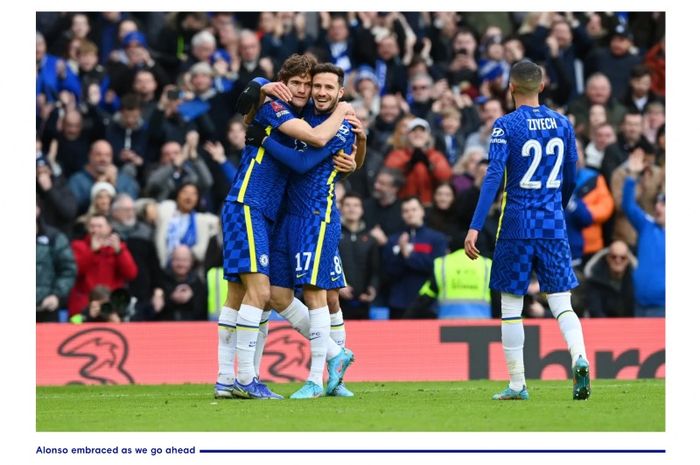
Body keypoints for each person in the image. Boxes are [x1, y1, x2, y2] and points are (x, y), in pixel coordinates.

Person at [215, 54, 355, 400]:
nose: (304, 90)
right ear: (283, 84)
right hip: (249, 203)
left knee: (247, 295)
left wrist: (357, 149)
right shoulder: (274, 107)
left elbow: (312, 154)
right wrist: (262, 84)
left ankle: (224, 378)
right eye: (297, 83)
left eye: (309, 85)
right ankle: (246, 379)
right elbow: (312, 143)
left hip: (269, 213)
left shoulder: (296, 115)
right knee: (262, 294)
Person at [464, 60, 590, 401]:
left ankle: (518, 384)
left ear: (510, 88)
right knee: (562, 302)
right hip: (552, 223)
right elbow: (572, 177)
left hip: (516, 223)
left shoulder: (506, 126)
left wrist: (475, 226)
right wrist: (557, 207)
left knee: (510, 305)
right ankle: (579, 357)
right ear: (542, 86)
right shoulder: (563, 124)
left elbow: (493, 177)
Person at [383, 197, 448, 319]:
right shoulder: (393, 240)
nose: (410, 214)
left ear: (422, 211)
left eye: (414, 209)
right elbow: (389, 271)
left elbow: (437, 268)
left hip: (427, 302)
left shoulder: (437, 238)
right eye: (406, 211)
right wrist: (402, 254)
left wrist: (409, 256)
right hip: (399, 303)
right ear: (402, 215)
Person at [67, 214, 138, 318]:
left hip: (112, 307)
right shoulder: (78, 246)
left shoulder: (118, 248)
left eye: (99, 226)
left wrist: (120, 252)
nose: (95, 230)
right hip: (84, 307)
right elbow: (76, 271)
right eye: (92, 226)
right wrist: (92, 252)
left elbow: (131, 273)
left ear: (109, 228)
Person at [622, 156, 665, 317]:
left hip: (664, 307)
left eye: (664, 204)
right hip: (639, 304)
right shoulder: (648, 225)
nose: (658, 207)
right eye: (658, 203)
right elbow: (628, 206)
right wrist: (632, 176)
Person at [384, 117, 452, 206]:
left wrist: (429, 165)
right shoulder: (398, 154)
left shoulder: (436, 156)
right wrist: (408, 166)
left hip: (429, 205)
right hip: (403, 205)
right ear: (407, 135)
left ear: (428, 136)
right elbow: (388, 177)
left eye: (422, 131)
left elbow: (445, 177)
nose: (418, 134)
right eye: (414, 131)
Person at [337, 192, 380, 320]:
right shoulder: (332, 235)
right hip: (336, 302)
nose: (352, 209)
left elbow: (376, 269)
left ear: (362, 210)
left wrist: (372, 289)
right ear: (341, 208)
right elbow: (325, 265)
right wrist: (338, 286)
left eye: (356, 205)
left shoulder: (371, 239)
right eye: (348, 205)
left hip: (363, 303)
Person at [36, 203, 77, 322]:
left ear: (37, 210)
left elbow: (68, 270)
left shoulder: (54, 238)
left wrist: (56, 295)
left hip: (46, 309)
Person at [583, 240, 636, 317]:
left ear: (628, 260)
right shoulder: (595, 280)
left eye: (623, 258)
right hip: (602, 326)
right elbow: (595, 311)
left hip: (630, 326)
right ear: (608, 258)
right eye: (614, 257)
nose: (618, 260)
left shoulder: (635, 280)